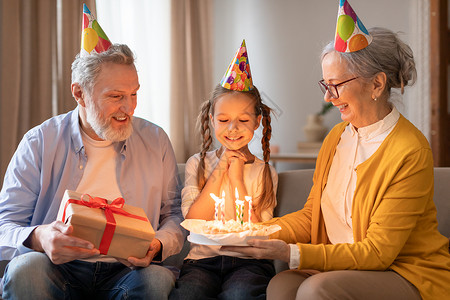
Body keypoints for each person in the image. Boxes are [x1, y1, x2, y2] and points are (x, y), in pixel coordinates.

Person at [222, 2, 450, 300]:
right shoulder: (337, 137)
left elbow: (378, 253)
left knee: (316, 288)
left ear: (377, 84)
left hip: (404, 271)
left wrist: (292, 253)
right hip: (350, 267)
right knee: (282, 285)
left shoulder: (410, 150)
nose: (329, 97)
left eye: (336, 85)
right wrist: (260, 231)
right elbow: (311, 216)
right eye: (325, 85)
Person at [0, 6, 185, 299]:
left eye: (134, 94)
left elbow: (174, 214)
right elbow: (4, 224)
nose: (130, 108)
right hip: (56, 268)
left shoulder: (156, 139)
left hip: (130, 271)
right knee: (26, 271)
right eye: (115, 96)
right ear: (79, 93)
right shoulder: (40, 141)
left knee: (156, 281)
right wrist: (39, 237)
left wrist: (159, 243)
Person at [169, 40, 278, 300]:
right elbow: (193, 220)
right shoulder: (198, 163)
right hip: (201, 262)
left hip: (249, 263)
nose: (232, 129)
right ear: (211, 119)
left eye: (243, 120)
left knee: (240, 296)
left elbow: (256, 231)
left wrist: (238, 178)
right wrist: (219, 171)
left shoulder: (265, 172)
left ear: (257, 121)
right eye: (224, 120)